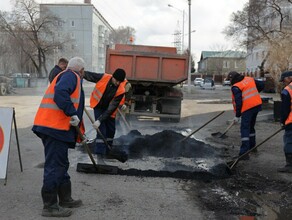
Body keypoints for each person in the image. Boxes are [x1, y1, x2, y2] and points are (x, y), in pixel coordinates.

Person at [32, 57, 85, 217]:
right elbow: (60, 93)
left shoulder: (66, 75)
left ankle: (65, 198)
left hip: (54, 127)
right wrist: (71, 112)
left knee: (61, 163)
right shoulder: (71, 75)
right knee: (55, 166)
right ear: (81, 70)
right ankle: (49, 206)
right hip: (54, 128)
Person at [83, 69, 126, 162]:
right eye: (116, 80)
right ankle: (100, 155)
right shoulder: (104, 77)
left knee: (111, 130)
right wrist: (79, 73)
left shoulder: (121, 90)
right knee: (102, 130)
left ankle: (108, 152)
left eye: (120, 82)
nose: (118, 83)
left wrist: (99, 120)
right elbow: (89, 75)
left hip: (109, 109)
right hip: (98, 105)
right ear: (113, 77)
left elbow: (111, 108)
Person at [227, 71, 264, 159]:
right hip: (257, 105)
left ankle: (244, 153)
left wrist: (237, 115)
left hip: (248, 108)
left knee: (245, 128)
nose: (229, 82)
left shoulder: (236, 87)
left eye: (229, 79)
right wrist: (255, 94)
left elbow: (238, 103)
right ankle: (252, 147)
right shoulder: (249, 79)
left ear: (232, 78)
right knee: (251, 127)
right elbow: (262, 84)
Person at [278, 70, 292, 173]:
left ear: (288, 78)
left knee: (289, 141)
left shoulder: (287, 90)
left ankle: (289, 165)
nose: (283, 83)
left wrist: (283, 121)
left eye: (283, 80)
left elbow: (284, 109)